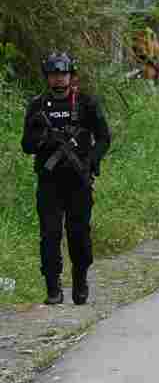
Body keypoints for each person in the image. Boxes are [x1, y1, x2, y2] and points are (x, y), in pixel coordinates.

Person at [21, 53, 111, 305]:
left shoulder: (86, 103)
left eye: (63, 74)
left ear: (71, 75)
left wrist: (92, 160)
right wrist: (42, 139)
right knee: (49, 234)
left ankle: (80, 279)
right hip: (49, 181)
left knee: (78, 233)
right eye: (53, 74)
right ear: (47, 77)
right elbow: (26, 145)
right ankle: (52, 287)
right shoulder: (37, 106)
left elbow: (104, 138)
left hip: (78, 181)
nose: (59, 79)